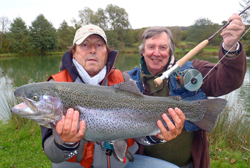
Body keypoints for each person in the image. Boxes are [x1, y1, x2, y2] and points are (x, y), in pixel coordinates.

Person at [40, 24, 186, 168]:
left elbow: (138, 131)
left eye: (99, 45)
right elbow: (52, 153)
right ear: (74, 52)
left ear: (106, 52)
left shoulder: (123, 80)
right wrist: (66, 142)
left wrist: (158, 135)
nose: (92, 50)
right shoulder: (54, 88)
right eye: (85, 45)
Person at [127, 13, 247, 168]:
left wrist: (230, 47)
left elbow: (228, 81)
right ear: (142, 51)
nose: (156, 53)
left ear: (170, 51)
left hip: (190, 164)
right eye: (151, 47)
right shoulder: (127, 80)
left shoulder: (193, 70)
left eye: (163, 47)